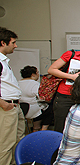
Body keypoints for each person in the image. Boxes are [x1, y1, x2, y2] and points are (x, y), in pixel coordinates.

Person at [0, 27, 25, 165]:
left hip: (14, 105)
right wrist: (4, 104)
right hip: (6, 107)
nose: (15, 46)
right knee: (5, 144)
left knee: (18, 141)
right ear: (3, 43)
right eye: (13, 42)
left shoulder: (4, 62)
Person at [19, 66, 53, 132]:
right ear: (33, 74)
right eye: (37, 73)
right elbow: (42, 97)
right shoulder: (35, 84)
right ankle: (42, 129)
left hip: (22, 109)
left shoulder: (18, 83)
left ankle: (36, 127)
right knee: (50, 108)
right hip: (32, 110)